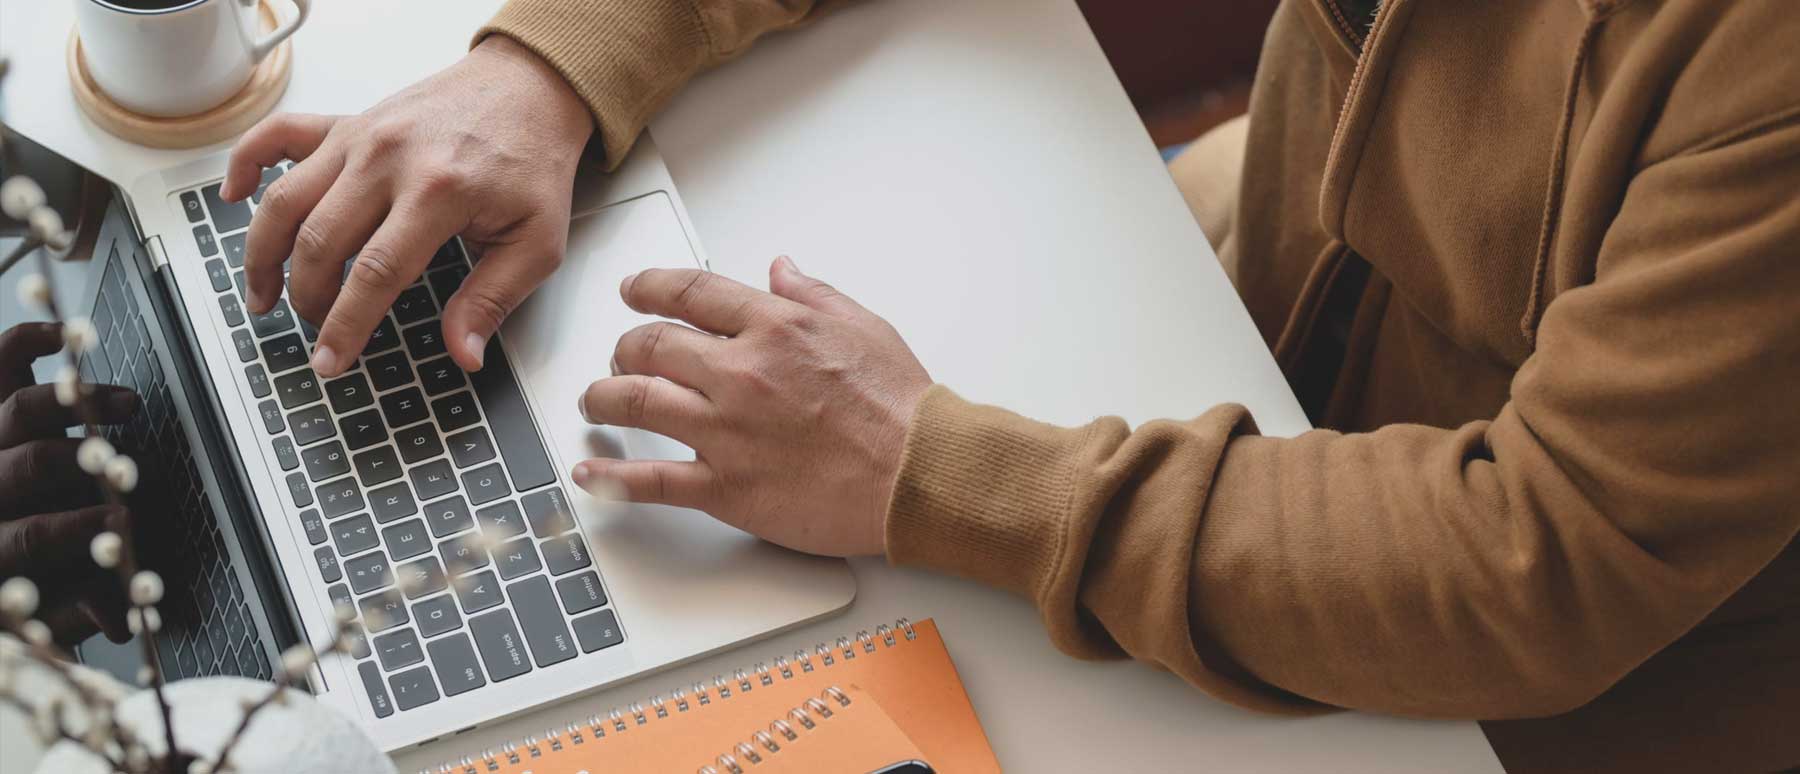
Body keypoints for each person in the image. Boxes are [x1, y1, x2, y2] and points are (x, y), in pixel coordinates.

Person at [219, 1, 1800, 771]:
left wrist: (929, 468)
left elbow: (1550, 563)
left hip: (1542, 690)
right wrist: (554, 67)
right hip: (1220, 305)